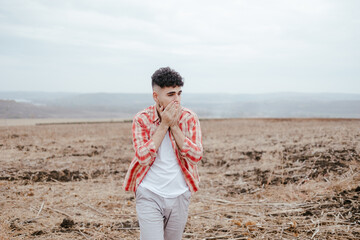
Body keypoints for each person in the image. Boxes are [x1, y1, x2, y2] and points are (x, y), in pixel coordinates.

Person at [123, 67, 203, 240]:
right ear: (155, 96)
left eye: (179, 93)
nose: (177, 100)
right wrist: (163, 125)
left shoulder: (189, 118)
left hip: (180, 194)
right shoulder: (141, 119)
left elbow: (196, 156)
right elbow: (143, 157)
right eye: (170, 94)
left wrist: (174, 126)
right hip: (149, 193)